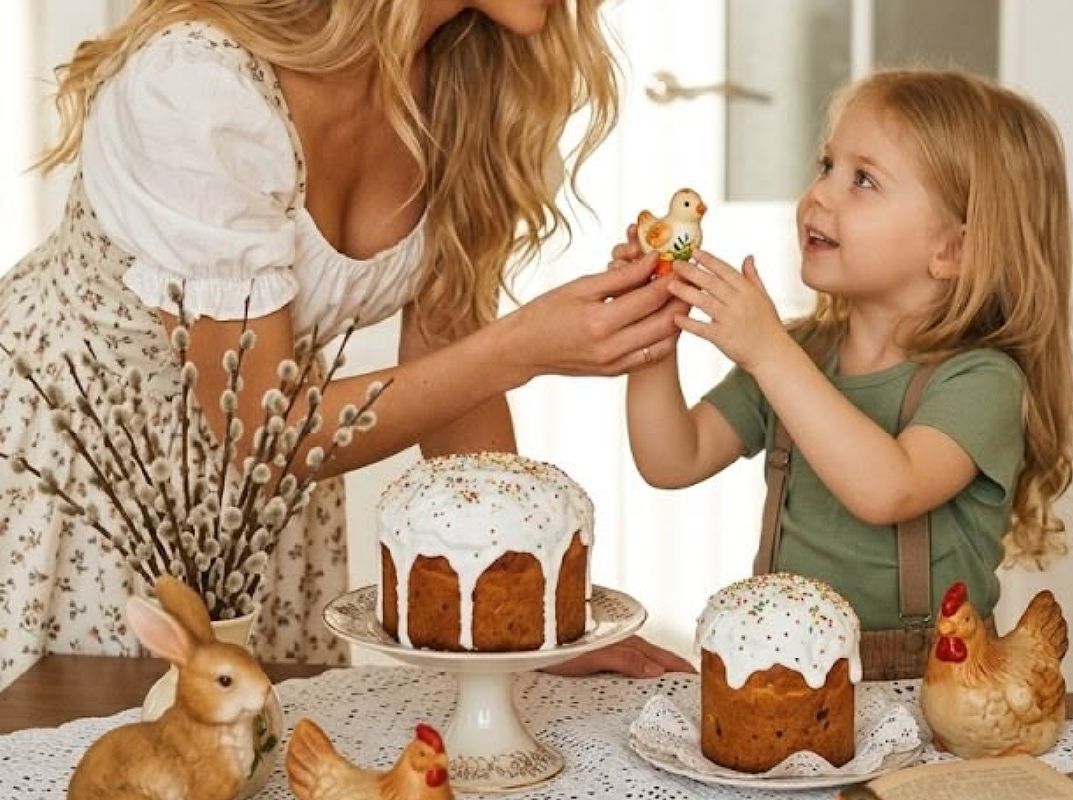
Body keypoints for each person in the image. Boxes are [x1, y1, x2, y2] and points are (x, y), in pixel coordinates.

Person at [0, 0, 690, 691]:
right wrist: (521, 349)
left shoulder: (465, 84)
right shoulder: (198, 85)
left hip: (254, 517)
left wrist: (524, 617)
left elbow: (452, 371)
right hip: (74, 476)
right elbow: (261, 435)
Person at [620, 69, 1073, 677]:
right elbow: (672, 458)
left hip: (929, 685)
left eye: (863, 179)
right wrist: (652, 335)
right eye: (826, 166)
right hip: (785, 671)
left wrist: (768, 352)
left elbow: (888, 489)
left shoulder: (981, 383)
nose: (819, 194)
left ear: (952, 251)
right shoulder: (799, 354)